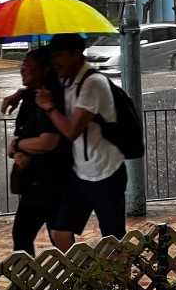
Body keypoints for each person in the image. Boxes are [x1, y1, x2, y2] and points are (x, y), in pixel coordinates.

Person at [33, 34, 127, 251]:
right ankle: (82, 279)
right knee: (59, 232)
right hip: (81, 175)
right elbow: (41, 89)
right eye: (52, 55)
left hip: (106, 174)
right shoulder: (67, 81)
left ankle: (118, 283)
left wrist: (49, 107)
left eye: (58, 55)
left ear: (76, 55)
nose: (54, 61)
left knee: (113, 241)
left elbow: (72, 131)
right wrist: (20, 94)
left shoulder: (93, 83)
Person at [7, 48, 70, 256]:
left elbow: (47, 142)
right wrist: (18, 152)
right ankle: (75, 281)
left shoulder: (50, 98)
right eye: (22, 65)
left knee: (36, 235)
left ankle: (30, 284)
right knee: (52, 235)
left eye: (29, 66)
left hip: (50, 181)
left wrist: (17, 147)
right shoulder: (29, 98)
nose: (23, 70)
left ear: (44, 70)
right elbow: (20, 138)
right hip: (35, 183)